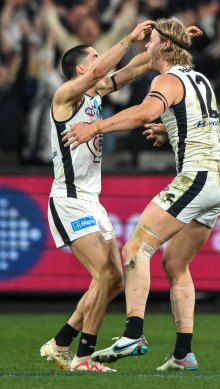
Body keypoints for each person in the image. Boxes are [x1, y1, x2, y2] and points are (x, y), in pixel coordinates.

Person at [62, 18, 220, 371]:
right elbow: (195, 124)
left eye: (151, 40)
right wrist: (169, 131)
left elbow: (144, 110)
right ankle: (183, 354)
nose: (145, 45)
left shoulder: (165, 79)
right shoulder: (199, 79)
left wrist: (94, 127)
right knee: (175, 264)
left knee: (137, 248)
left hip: (197, 178)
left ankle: (134, 331)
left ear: (165, 47)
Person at [40, 20, 155, 373]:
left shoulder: (94, 93)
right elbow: (102, 72)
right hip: (69, 199)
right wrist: (128, 38)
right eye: (94, 56)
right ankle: (84, 357)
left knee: (115, 281)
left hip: (92, 200)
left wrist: (164, 46)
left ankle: (60, 344)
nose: (100, 58)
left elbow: (134, 70)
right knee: (105, 276)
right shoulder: (65, 97)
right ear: (81, 68)